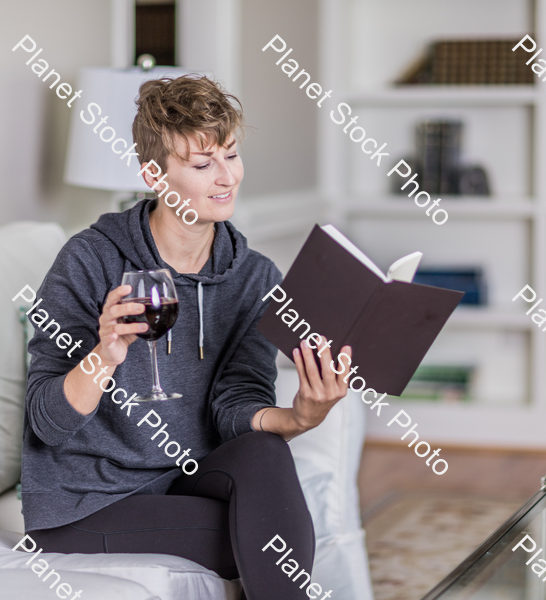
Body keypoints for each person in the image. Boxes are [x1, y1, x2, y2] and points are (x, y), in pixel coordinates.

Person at [21, 74, 352, 600]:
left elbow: (235, 406)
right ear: (154, 174)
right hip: (87, 500)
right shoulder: (89, 260)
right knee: (270, 542)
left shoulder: (253, 276)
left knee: (267, 456)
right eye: (202, 165)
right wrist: (103, 356)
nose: (226, 179)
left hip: (186, 476)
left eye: (232, 156)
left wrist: (300, 417)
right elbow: (45, 423)